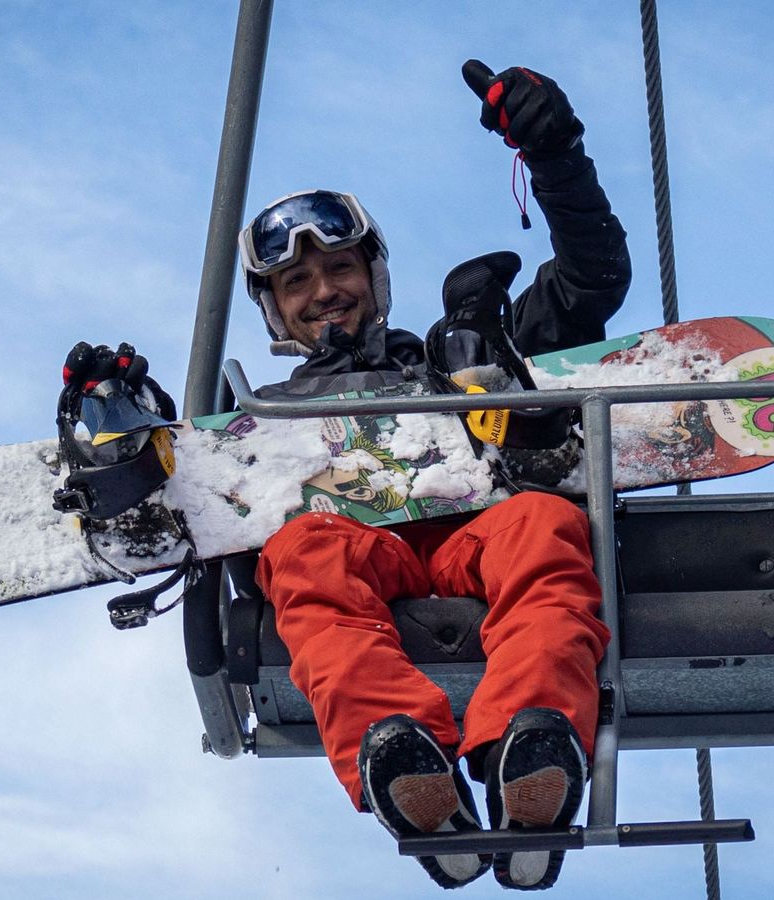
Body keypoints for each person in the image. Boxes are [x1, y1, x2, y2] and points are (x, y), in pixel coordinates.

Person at [237, 61, 630, 891]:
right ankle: (403, 757)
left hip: (470, 536)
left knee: (544, 526)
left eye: (338, 268)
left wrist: (555, 155)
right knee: (304, 551)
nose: (324, 293)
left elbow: (593, 280)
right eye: (296, 282)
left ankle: (535, 743)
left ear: (373, 276)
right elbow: (225, 523)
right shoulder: (259, 415)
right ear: (275, 309)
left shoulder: (460, 356)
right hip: (352, 551)